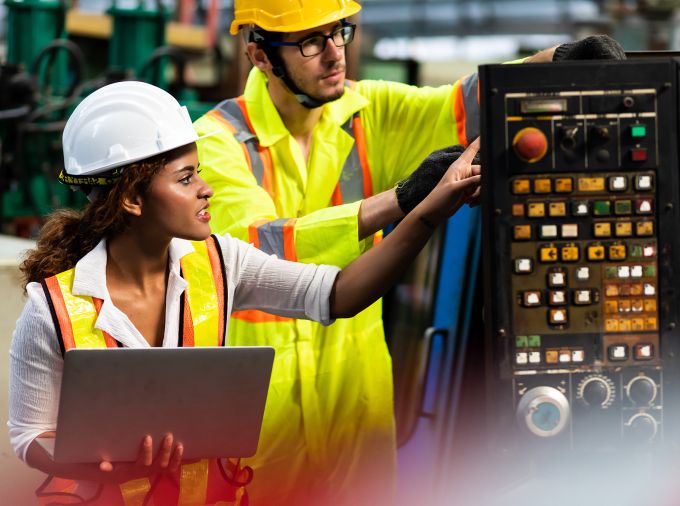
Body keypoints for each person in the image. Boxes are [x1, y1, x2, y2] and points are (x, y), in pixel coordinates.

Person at [192, 0, 626, 503]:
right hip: (263, 426)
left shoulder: (367, 113)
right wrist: (399, 200)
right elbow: (261, 246)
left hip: (358, 411)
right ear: (261, 56)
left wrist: (557, 63)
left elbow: (466, 103)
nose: (334, 54)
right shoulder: (216, 142)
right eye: (311, 41)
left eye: (339, 32)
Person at [7, 80, 480, 506]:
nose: (206, 189)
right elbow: (30, 434)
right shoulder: (50, 308)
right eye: (186, 177)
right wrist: (101, 463)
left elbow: (338, 294)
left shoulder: (222, 261)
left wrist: (425, 212)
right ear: (131, 198)